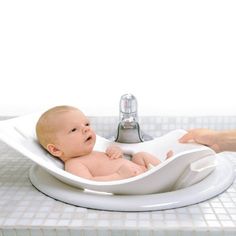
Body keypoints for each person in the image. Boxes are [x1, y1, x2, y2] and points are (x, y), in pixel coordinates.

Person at [36, 105, 173, 181]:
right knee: (142, 161)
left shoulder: (92, 152)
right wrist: (119, 176)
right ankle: (165, 172)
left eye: (86, 123)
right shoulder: (74, 164)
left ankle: (164, 166)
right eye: (73, 129)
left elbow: (112, 162)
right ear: (55, 150)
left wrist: (115, 152)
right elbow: (90, 183)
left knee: (140, 155)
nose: (86, 129)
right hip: (132, 181)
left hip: (140, 170)